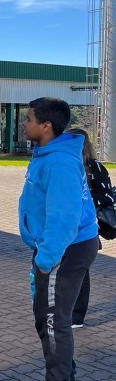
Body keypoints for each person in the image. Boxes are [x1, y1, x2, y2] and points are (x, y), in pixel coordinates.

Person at [13, 98, 99, 381]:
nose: (25, 124)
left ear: (46, 126)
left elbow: (63, 219)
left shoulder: (58, 162)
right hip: (65, 248)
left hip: (64, 251)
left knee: (51, 319)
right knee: (53, 317)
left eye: (29, 119)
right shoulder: (50, 153)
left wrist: (45, 260)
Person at [67, 128, 114, 328]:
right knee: (70, 270)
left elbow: (106, 197)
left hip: (86, 227)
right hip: (69, 224)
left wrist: (88, 202)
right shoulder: (69, 165)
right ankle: (69, 309)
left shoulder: (93, 167)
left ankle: (77, 315)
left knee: (81, 271)